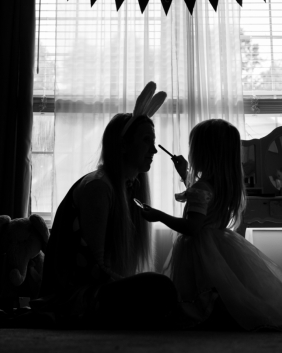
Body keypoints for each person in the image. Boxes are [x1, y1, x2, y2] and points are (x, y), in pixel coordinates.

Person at [140, 118, 282, 331]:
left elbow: (192, 227)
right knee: (223, 289)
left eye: (194, 148)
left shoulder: (201, 188)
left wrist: (158, 215)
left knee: (202, 290)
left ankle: (206, 318)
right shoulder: (222, 185)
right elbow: (203, 198)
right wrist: (185, 174)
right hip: (219, 244)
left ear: (203, 153)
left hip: (200, 249)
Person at [32, 83, 178, 329]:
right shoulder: (98, 188)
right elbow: (94, 267)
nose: (154, 150)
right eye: (146, 141)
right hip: (76, 298)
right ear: (123, 145)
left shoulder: (125, 189)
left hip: (97, 293)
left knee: (165, 290)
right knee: (160, 288)